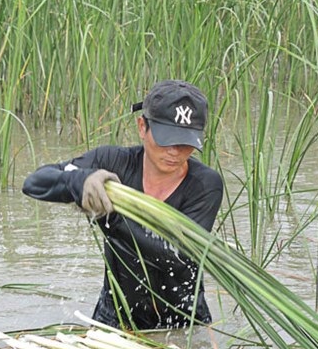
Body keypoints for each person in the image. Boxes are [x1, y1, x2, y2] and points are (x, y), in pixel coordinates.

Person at [22, 80, 223, 330]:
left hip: (181, 325)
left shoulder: (204, 185)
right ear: (142, 127)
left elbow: (176, 257)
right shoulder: (112, 162)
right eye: (166, 140)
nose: (175, 152)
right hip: (114, 318)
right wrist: (81, 181)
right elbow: (34, 183)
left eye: (185, 143)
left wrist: (111, 216)